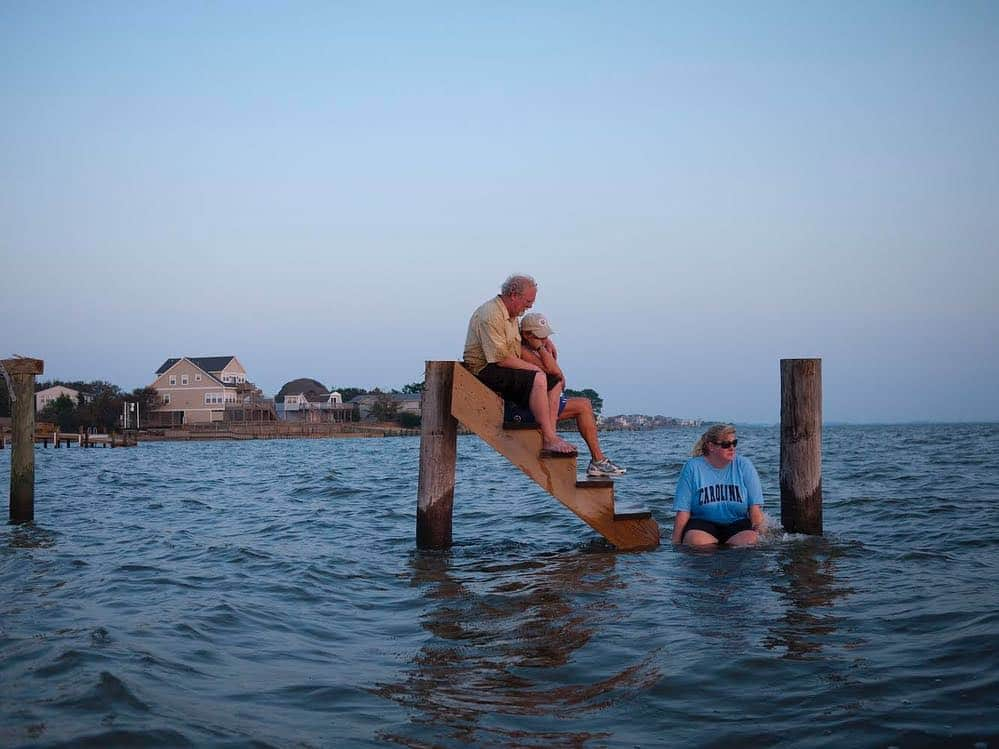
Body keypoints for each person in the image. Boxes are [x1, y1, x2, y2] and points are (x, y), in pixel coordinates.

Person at [463, 274, 577, 455]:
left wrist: (544, 341)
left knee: (553, 381)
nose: (530, 305)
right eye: (528, 300)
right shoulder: (491, 314)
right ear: (514, 295)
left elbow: (516, 344)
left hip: (501, 365)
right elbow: (500, 358)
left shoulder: (512, 315)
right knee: (539, 377)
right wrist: (536, 368)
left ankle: (551, 434)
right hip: (485, 369)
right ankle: (548, 439)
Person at [518, 312, 626, 478]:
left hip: (548, 401)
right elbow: (555, 373)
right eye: (540, 337)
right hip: (533, 406)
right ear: (527, 335)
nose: (543, 340)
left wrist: (545, 346)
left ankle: (598, 461)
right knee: (581, 404)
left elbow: (558, 374)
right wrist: (541, 348)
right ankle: (552, 438)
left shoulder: (539, 348)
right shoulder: (523, 350)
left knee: (584, 405)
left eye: (545, 336)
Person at [671, 423, 764, 547]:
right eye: (726, 445)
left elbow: (755, 508)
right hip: (702, 523)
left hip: (737, 522)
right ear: (711, 446)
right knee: (697, 542)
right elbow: (683, 511)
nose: (732, 448)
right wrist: (675, 544)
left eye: (734, 443)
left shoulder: (744, 465)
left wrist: (760, 536)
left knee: (750, 541)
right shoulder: (692, 467)